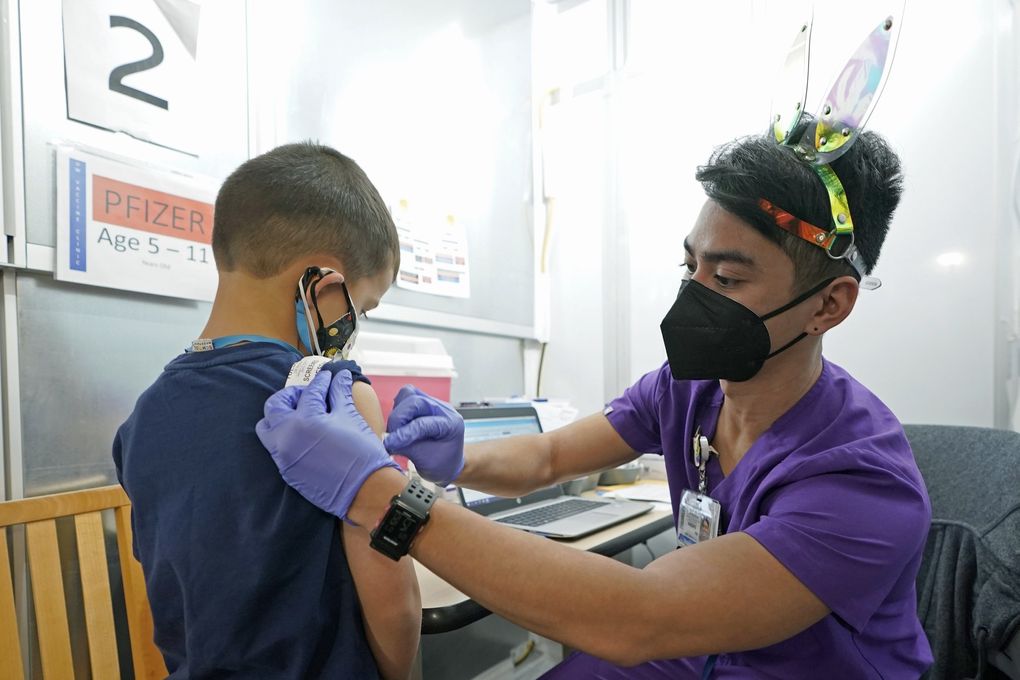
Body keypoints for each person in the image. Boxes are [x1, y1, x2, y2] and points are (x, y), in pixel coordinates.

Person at [256, 127, 934, 677]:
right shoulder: (686, 390)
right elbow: (550, 453)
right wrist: (459, 457)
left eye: (726, 276)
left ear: (827, 305)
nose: (693, 294)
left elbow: (642, 616)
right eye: (689, 266)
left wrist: (381, 496)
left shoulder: (863, 480)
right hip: (693, 655)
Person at [113, 143, 420, 679]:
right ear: (321, 287)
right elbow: (395, 607)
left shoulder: (141, 418)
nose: (352, 329)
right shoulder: (336, 397)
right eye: (359, 308)